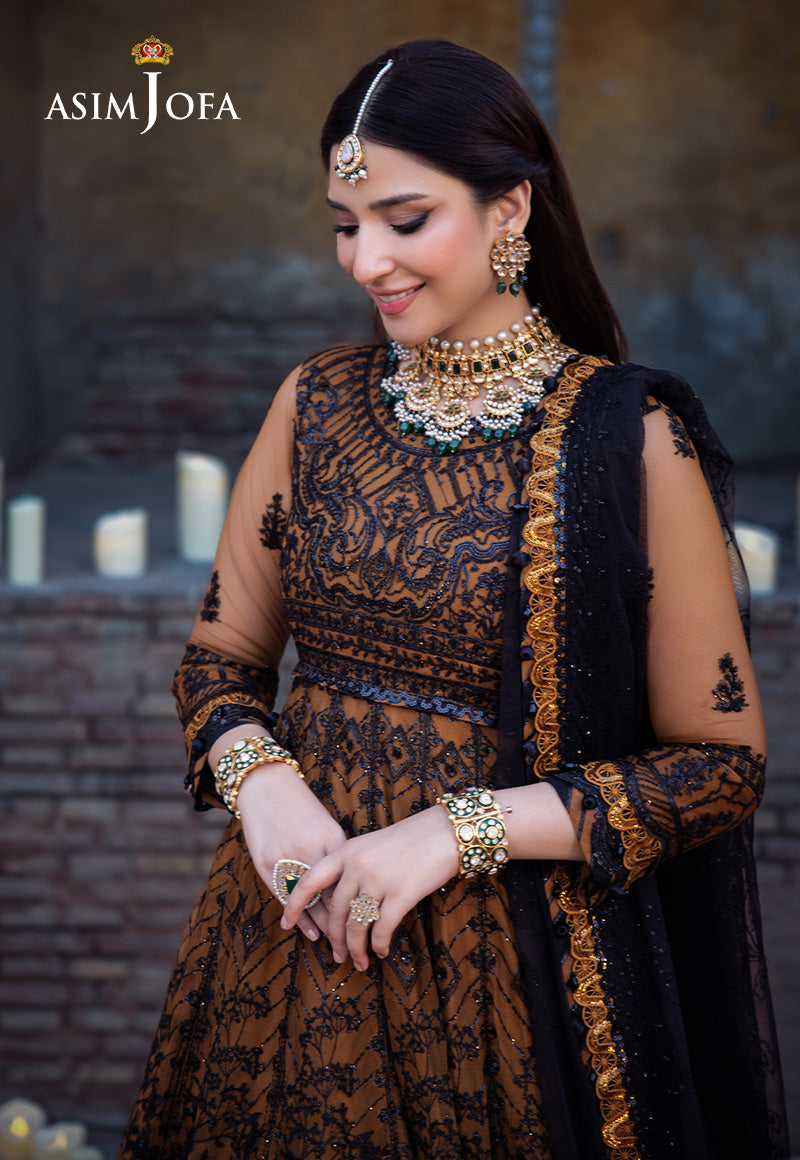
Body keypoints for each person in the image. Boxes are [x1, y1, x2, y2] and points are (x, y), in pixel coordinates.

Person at [118, 39, 788, 1160]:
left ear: (508, 209)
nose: (365, 259)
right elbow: (218, 665)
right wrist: (263, 786)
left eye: (404, 218)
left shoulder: (627, 439)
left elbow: (719, 766)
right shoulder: (315, 404)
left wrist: (452, 832)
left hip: (510, 974)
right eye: (345, 225)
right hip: (283, 939)